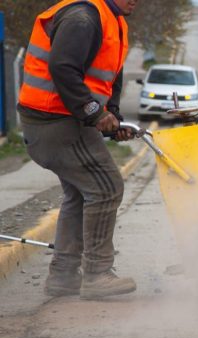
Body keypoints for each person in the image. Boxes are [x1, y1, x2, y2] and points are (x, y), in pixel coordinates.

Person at [17, 0, 140, 300]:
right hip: (53, 121)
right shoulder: (83, 18)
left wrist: (112, 115)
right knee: (107, 187)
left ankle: (63, 276)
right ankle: (97, 274)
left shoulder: (112, 20)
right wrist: (95, 114)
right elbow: (63, 68)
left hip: (64, 119)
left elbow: (108, 75)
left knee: (79, 192)